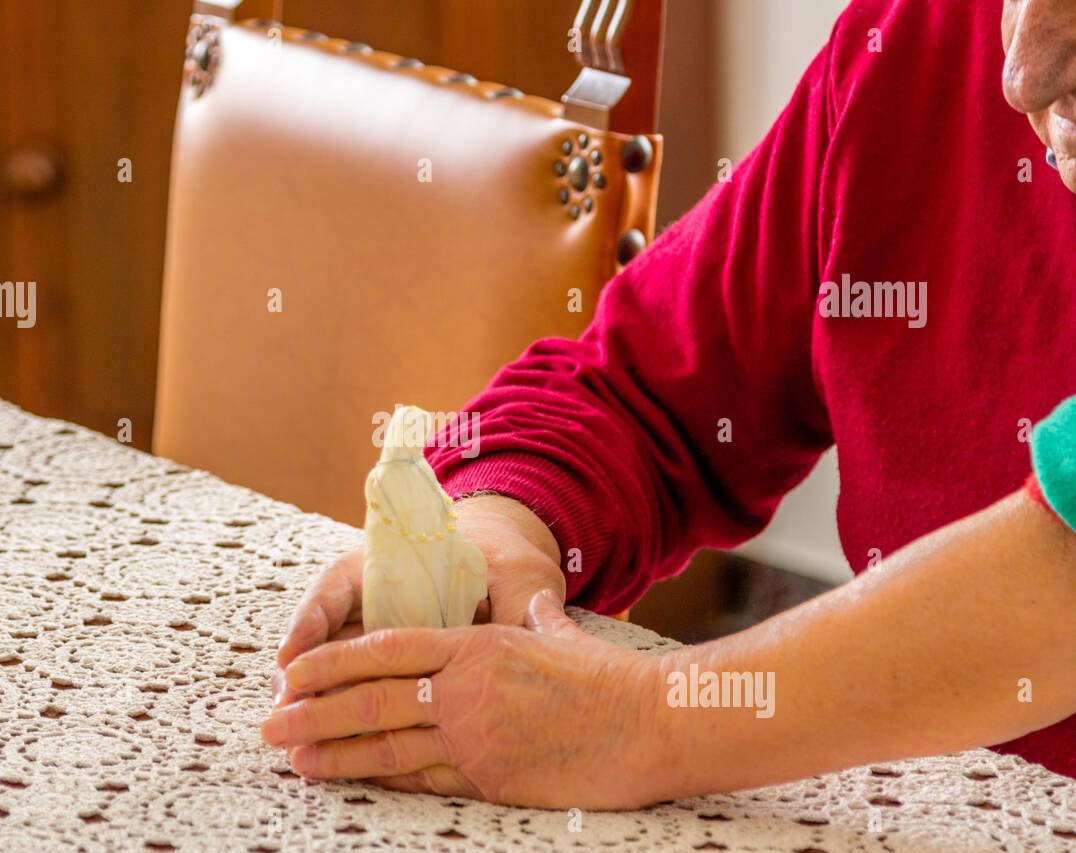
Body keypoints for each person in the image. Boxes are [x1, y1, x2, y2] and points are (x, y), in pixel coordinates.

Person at [260, 0, 1076, 809]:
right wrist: (497, 531)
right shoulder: (912, 39)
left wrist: (643, 721)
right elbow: (641, 393)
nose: (1020, 75)